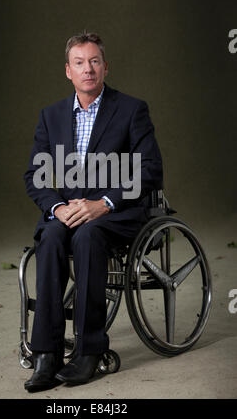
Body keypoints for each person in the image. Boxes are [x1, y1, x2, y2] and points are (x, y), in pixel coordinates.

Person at [23, 32, 163, 391]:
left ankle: (89, 351)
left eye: (95, 61)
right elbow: (36, 177)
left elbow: (149, 169)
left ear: (105, 67)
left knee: (88, 235)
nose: (88, 69)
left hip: (116, 212)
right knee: (52, 235)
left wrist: (103, 204)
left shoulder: (131, 109)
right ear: (68, 71)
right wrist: (57, 206)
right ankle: (47, 354)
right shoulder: (51, 116)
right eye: (80, 63)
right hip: (69, 210)